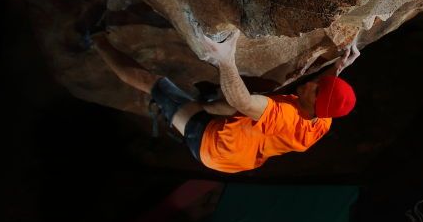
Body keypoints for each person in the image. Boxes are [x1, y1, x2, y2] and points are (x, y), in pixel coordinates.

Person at [92, 30, 359, 173]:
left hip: (213, 147)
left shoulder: (283, 116)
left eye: (315, 89)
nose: (311, 83)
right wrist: (339, 66)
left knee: (158, 85)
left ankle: (96, 40)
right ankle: (207, 103)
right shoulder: (322, 120)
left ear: (313, 106)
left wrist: (225, 60)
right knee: (252, 96)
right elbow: (325, 94)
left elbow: (242, 101)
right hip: (241, 155)